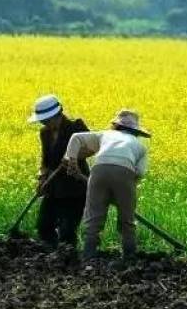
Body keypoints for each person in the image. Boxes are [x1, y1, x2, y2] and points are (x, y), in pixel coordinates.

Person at [64, 109, 150, 260]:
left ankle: (89, 254)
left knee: (94, 215)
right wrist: (125, 193)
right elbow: (140, 172)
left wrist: (72, 160)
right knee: (127, 218)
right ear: (135, 131)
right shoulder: (140, 147)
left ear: (116, 126)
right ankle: (129, 256)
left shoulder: (106, 134)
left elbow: (76, 138)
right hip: (125, 172)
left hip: (99, 170)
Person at [28, 94, 89, 248]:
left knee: (67, 230)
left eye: (45, 120)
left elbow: (92, 148)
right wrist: (42, 178)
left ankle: (69, 260)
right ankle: (51, 259)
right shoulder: (45, 133)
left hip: (75, 185)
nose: (42, 123)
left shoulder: (76, 127)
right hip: (53, 187)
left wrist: (73, 157)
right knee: (44, 227)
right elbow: (45, 160)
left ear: (56, 115)